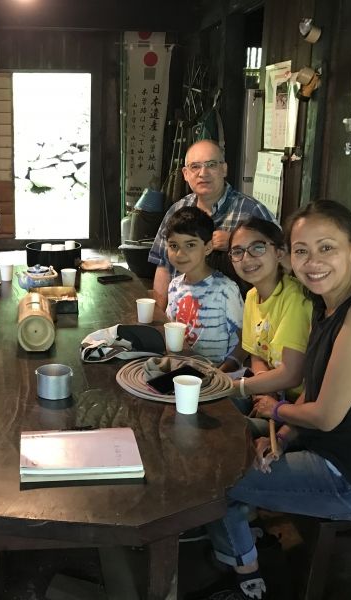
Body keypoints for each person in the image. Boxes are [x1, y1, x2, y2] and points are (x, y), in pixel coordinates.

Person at [200, 200, 351, 600]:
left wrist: (276, 410)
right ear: (290, 256)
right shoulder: (326, 305)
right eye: (302, 250)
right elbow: (315, 394)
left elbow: (326, 415)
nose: (313, 261)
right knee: (234, 452)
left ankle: (245, 573)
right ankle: (243, 537)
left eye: (327, 248)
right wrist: (280, 434)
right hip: (329, 452)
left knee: (216, 481)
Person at [148, 140, 277, 308]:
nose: (203, 173)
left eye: (211, 164)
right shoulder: (177, 210)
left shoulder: (252, 210)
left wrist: (235, 243)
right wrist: (159, 316)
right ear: (185, 174)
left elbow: (280, 259)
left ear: (224, 169)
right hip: (181, 311)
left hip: (235, 315)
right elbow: (163, 265)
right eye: (195, 167)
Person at [224, 218, 312, 431]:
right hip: (272, 396)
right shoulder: (252, 296)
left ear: (279, 253)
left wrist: (235, 387)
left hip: (301, 408)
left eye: (258, 247)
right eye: (238, 251)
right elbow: (257, 355)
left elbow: (292, 375)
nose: (246, 258)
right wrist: (264, 387)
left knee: (232, 427)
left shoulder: (294, 297)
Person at [164, 206, 243, 366]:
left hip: (217, 375)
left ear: (208, 247)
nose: (180, 254)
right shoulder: (174, 286)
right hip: (182, 370)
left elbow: (245, 340)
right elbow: (171, 327)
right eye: (173, 246)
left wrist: (224, 371)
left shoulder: (226, 289)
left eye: (190, 245)